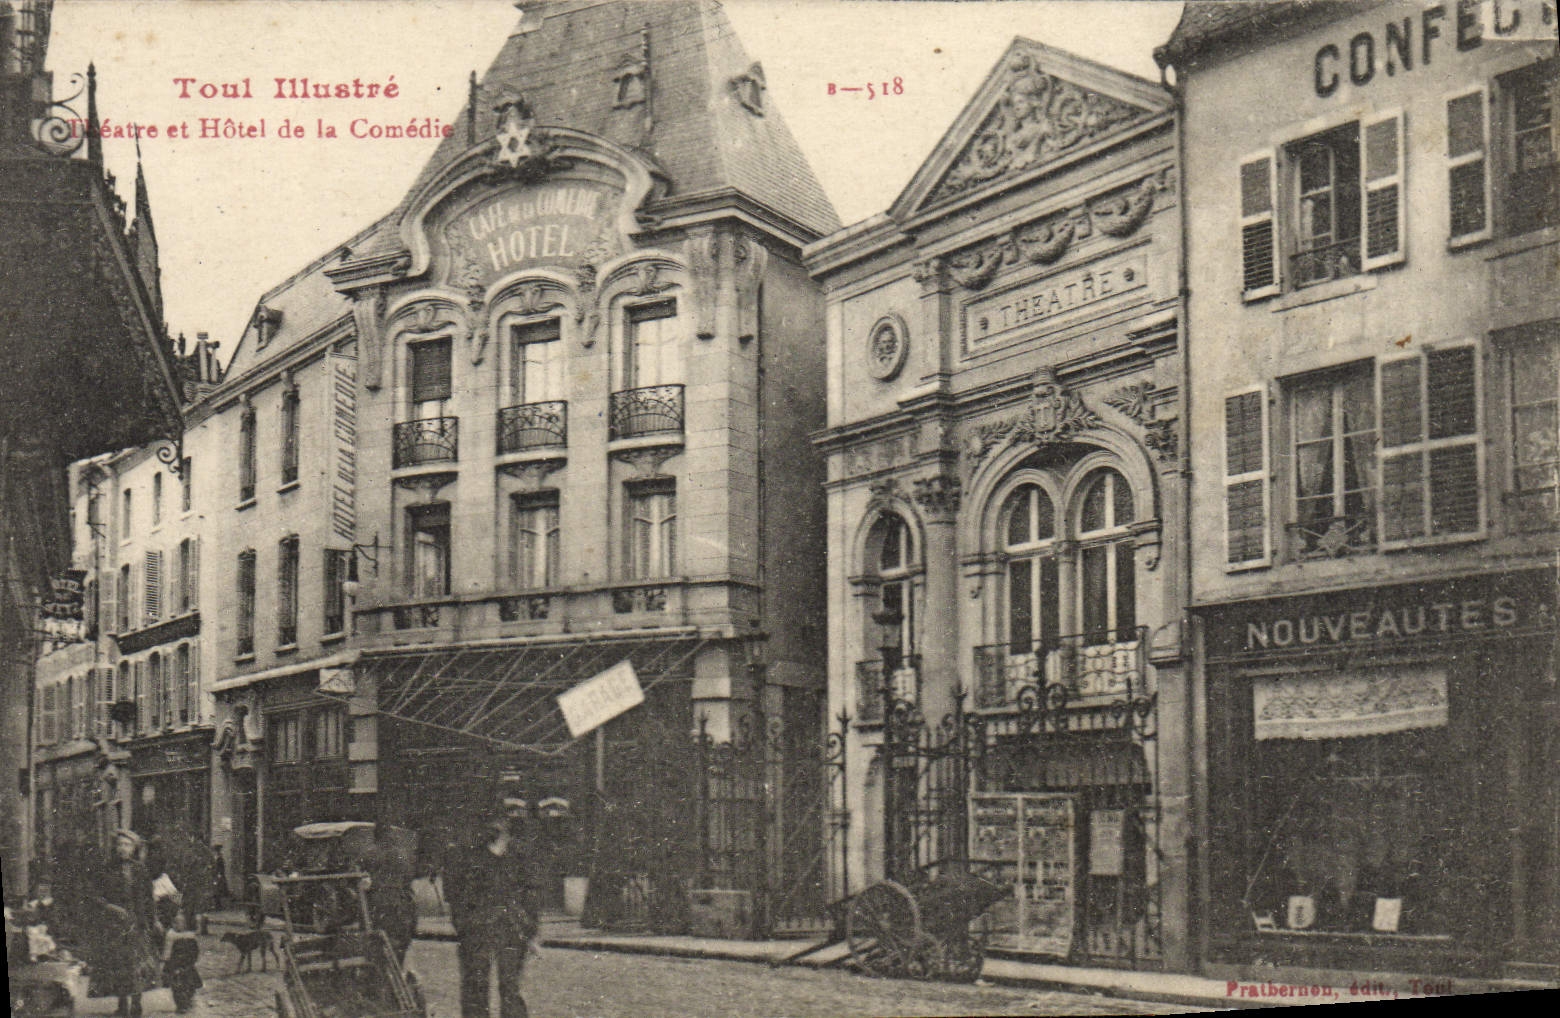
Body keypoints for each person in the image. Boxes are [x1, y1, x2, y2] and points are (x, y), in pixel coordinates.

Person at [442, 811, 540, 1018]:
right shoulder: (468, 856)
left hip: (512, 927)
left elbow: (531, 893)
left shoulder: (518, 855)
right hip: (477, 929)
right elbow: (454, 892)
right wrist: (463, 924)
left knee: (511, 987)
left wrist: (531, 930)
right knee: (475, 986)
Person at [96, 830, 160, 1018]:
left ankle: (136, 1004)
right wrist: (111, 907)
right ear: (115, 848)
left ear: (133, 848)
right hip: (115, 924)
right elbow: (96, 896)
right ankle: (122, 1004)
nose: (123, 849)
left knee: (137, 964)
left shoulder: (140, 870)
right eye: (120, 845)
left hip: (137, 923)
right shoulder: (107, 869)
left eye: (127, 845)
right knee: (120, 964)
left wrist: (154, 919)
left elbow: (149, 898)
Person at [365, 825, 417, 966]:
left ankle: (381, 972)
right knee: (399, 941)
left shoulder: (371, 853)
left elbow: (360, 876)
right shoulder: (401, 854)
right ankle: (396, 971)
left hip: (378, 902)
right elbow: (408, 877)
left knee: (378, 940)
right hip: (401, 902)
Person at [162, 910, 202, 1013]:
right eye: (177, 923)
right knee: (177, 985)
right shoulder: (171, 935)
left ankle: (188, 1000)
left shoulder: (189, 936)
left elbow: (195, 949)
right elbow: (168, 950)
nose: (180, 925)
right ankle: (181, 1005)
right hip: (175, 964)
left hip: (188, 964)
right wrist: (167, 961)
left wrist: (193, 959)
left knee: (191, 984)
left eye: (182, 923)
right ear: (173, 924)